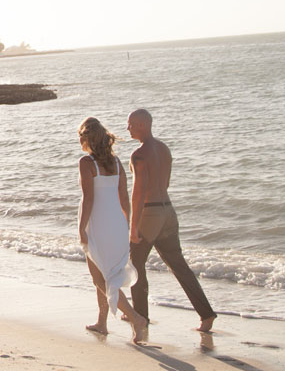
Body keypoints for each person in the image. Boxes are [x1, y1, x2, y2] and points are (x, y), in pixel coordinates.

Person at [126, 108, 217, 332]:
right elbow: (165, 183)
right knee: (179, 265)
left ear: (142, 125)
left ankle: (141, 318)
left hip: (150, 213)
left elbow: (138, 191)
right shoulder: (164, 149)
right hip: (168, 211)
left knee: (135, 265)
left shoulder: (139, 154)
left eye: (131, 124)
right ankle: (206, 315)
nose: (127, 128)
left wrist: (133, 226)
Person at [77, 117, 147, 343]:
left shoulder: (86, 163)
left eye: (81, 136)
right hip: (116, 223)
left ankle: (136, 318)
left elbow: (88, 199)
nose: (80, 140)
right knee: (108, 274)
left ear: (88, 138)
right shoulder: (116, 163)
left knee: (101, 279)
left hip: (97, 223)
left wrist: (81, 228)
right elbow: (124, 198)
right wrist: (126, 225)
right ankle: (102, 323)